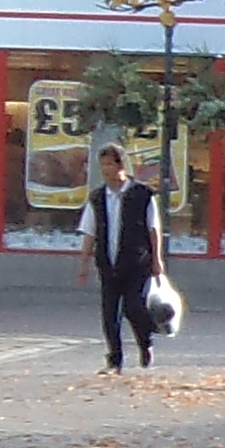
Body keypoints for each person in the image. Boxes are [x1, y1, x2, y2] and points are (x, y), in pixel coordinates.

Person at [80, 145, 166, 372]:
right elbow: (90, 231)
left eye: (110, 164)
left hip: (137, 262)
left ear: (121, 166)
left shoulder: (142, 194)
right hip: (108, 263)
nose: (106, 170)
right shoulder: (98, 197)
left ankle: (145, 343)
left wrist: (157, 260)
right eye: (103, 165)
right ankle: (114, 359)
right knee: (110, 313)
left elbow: (153, 229)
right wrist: (84, 263)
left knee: (134, 307)